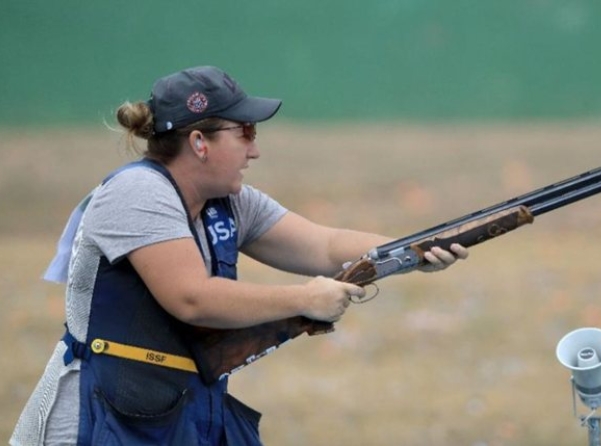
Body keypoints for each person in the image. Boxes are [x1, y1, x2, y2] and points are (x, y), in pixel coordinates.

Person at [11, 66, 468, 446]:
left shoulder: (229, 200)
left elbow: (324, 246)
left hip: (175, 410)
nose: (255, 148)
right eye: (244, 131)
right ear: (199, 143)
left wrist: (414, 250)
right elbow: (192, 298)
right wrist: (304, 299)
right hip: (103, 418)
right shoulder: (137, 192)